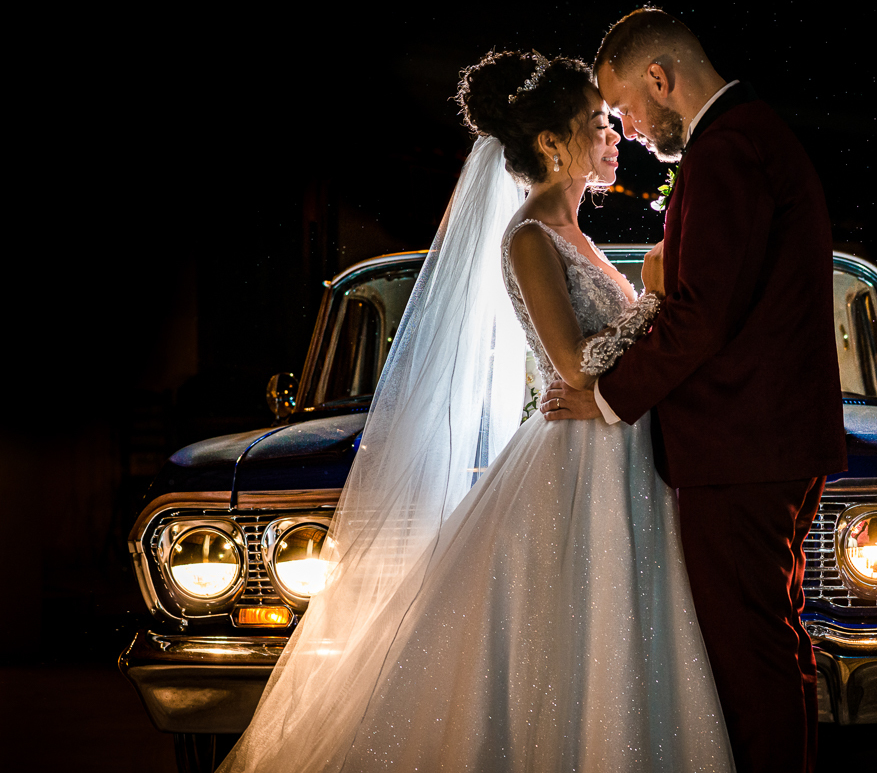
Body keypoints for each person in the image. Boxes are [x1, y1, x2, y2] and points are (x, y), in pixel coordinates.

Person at [216, 51, 735, 773]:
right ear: (553, 144)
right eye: (597, 123)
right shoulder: (528, 237)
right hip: (579, 458)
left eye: (612, 123)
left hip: (618, 449)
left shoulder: (575, 232)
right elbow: (571, 362)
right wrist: (652, 297)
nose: (614, 137)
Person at [542, 9, 848, 773]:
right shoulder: (751, 136)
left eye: (627, 109)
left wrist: (605, 396)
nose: (629, 129)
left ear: (659, 77)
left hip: (741, 448)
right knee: (766, 641)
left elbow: (702, 313)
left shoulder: (727, 151)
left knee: (753, 656)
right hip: (760, 441)